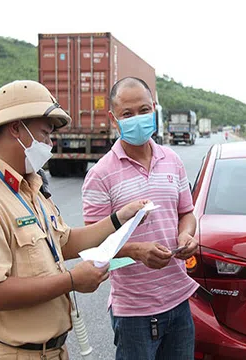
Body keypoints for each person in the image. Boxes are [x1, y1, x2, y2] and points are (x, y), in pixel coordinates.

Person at [0, 80, 148, 360]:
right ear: (16, 128)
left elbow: (64, 242)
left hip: (53, 351)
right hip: (15, 354)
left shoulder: (30, 185)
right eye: (44, 134)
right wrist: (71, 280)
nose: (49, 143)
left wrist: (119, 219)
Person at [81, 77, 200, 360]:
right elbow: (95, 249)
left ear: (154, 110)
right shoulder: (100, 175)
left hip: (179, 302)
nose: (138, 119)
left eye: (144, 110)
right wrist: (136, 251)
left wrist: (186, 235)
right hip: (134, 313)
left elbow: (187, 212)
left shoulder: (172, 160)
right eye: (127, 114)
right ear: (113, 119)